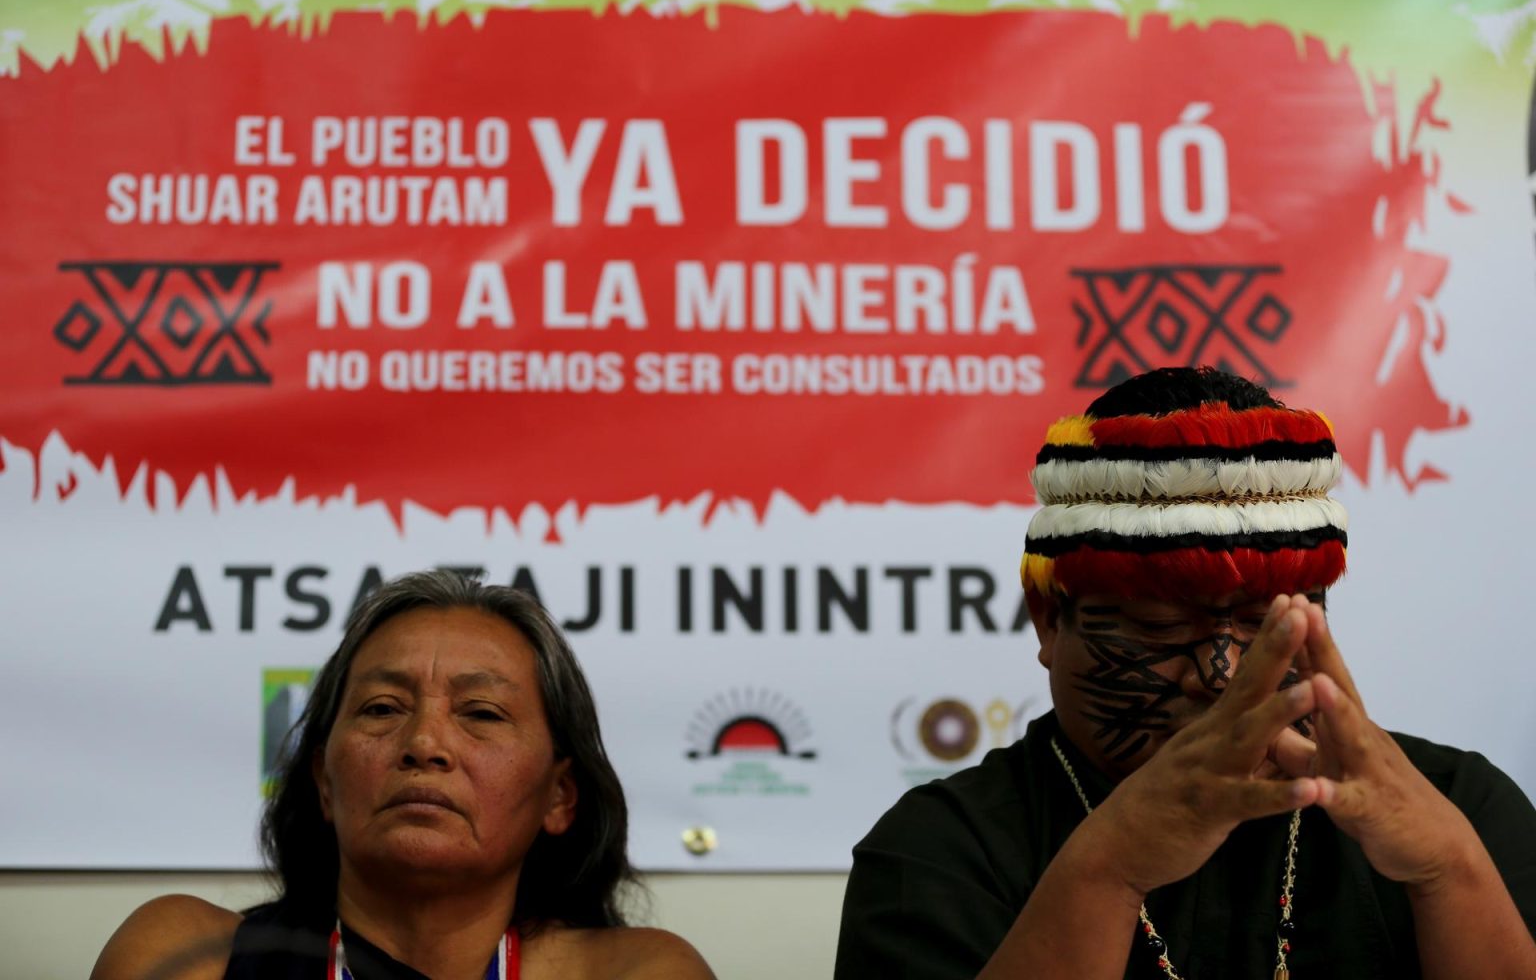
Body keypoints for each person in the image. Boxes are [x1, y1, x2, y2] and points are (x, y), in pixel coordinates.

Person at [835, 366, 1536, 979]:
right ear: (1051, 620)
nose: (1224, 673)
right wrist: (1109, 869)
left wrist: (1449, 872)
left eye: (1268, 627)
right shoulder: (939, 851)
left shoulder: (1459, 807)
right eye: (1161, 628)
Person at [93, 569, 714, 980]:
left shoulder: (641, 972)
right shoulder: (191, 958)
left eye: (481, 713)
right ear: (324, 783)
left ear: (560, 797)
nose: (423, 743)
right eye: (382, 708)